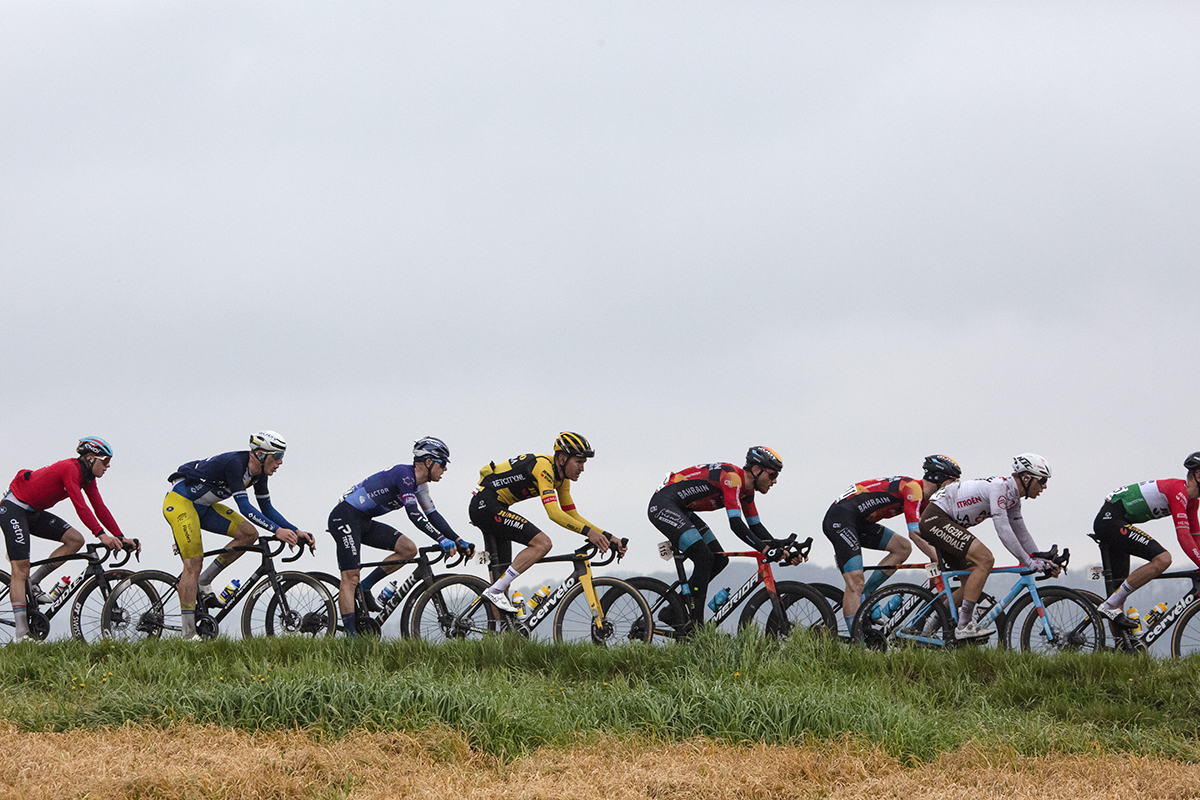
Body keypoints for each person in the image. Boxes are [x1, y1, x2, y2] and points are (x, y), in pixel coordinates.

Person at [164, 431, 314, 639]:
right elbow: (244, 507)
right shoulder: (235, 464)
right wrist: (277, 531)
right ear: (261, 454)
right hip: (181, 503)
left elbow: (267, 509)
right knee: (193, 563)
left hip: (203, 506)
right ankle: (189, 635)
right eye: (277, 456)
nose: (280, 462)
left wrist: (296, 530)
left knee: (248, 534)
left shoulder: (259, 474)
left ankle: (204, 581)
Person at [328, 436, 474, 635]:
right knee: (350, 577)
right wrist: (440, 539)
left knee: (408, 549)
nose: (445, 468)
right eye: (443, 463)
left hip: (363, 521)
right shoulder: (404, 475)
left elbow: (433, 515)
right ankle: (351, 637)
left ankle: (367, 585)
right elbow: (414, 514)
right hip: (344, 517)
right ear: (429, 462)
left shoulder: (420, 485)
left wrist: (458, 540)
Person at [0, 437, 138, 642]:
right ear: (90, 458)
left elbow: (99, 507)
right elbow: (80, 505)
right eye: (105, 461)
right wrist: (101, 535)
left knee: (75, 540)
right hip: (13, 509)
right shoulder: (70, 469)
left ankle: (34, 583)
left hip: (33, 511)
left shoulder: (88, 478)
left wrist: (119, 536)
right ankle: (21, 634)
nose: (108, 466)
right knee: (20, 569)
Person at [470, 432, 623, 613]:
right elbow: (553, 513)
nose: (582, 468)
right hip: (486, 506)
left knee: (503, 581)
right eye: (579, 462)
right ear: (562, 458)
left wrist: (608, 536)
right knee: (542, 543)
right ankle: (495, 591)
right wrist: (589, 533)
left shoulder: (562, 480)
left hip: (494, 508)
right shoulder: (543, 467)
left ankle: (498, 633)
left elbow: (572, 514)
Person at [917, 453, 1060, 640]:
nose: (1045, 486)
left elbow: (1021, 534)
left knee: (969, 585)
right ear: (1026, 477)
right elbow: (1003, 530)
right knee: (985, 559)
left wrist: (1041, 559)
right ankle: (964, 625)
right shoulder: (1000, 488)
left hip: (948, 522)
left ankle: (925, 632)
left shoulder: (1013, 498)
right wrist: (1028, 561)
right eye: (1041, 481)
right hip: (936, 518)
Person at [646, 446, 787, 630]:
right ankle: (696, 627)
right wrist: (766, 549)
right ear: (755, 470)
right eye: (773, 475)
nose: (774, 481)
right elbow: (736, 524)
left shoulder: (747, 491)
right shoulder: (732, 478)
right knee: (704, 558)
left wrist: (781, 548)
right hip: (664, 505)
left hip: (682, 510)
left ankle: (674, 609)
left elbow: (756, 527)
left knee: (719, 560)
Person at [823, 455, 961, 634]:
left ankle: (869, 592)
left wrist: (942, 556)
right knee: (855, 583)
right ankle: (858, 645)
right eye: (953, 482)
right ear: (940, 479)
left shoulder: (927, 501)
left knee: (902, 548)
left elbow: (929, 536)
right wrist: (939, 558)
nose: (955, 489)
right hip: (840, 518)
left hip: (860, 522)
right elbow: (915, 533)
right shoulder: (914, 489)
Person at [1090, 452, 1200, 629]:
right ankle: (1109, 605)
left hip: (1118, 522)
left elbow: (1196, 537)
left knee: (1119, 593)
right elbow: (1183, 535)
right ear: (1198, 475)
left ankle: (1121, 648)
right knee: (1163, 559)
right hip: (1110, 520)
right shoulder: (1178, 491)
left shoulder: (1193, 502)